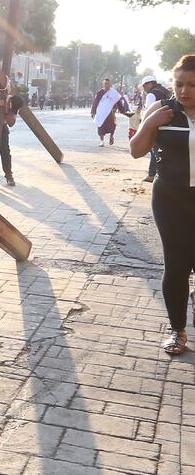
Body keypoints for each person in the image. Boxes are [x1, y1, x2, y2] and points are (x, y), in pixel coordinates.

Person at [129, 55, 195, 355]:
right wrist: (150, 123)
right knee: (177, 265)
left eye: (192, 85)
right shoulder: (162, 110)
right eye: (179, 84)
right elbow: (136, 151)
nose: (184, 91)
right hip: (170, 198)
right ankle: (178, 331)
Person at [139, 75, 172, 182]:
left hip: (156, 124)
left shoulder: (151, 94)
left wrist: (144, 126)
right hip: (168, 122)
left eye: (145, 85)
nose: (144, 88)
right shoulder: (165, 91)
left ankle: (153, 174)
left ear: (150, 84)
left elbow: (149, 112)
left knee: (155, 149)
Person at [91, 78, 130, 146]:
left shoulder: (114, 93)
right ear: (103, 84)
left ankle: (111, 136)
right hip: (101, 112)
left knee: (112, 126)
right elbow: (95, 102)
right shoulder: (100, 93)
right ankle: (102, 141)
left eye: (108, 84)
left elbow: (118, 102)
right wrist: (93, 111)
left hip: (110, 112)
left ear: (110, 84)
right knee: (100, 126)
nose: (107, 85)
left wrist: (123, 111)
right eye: (105, 84)